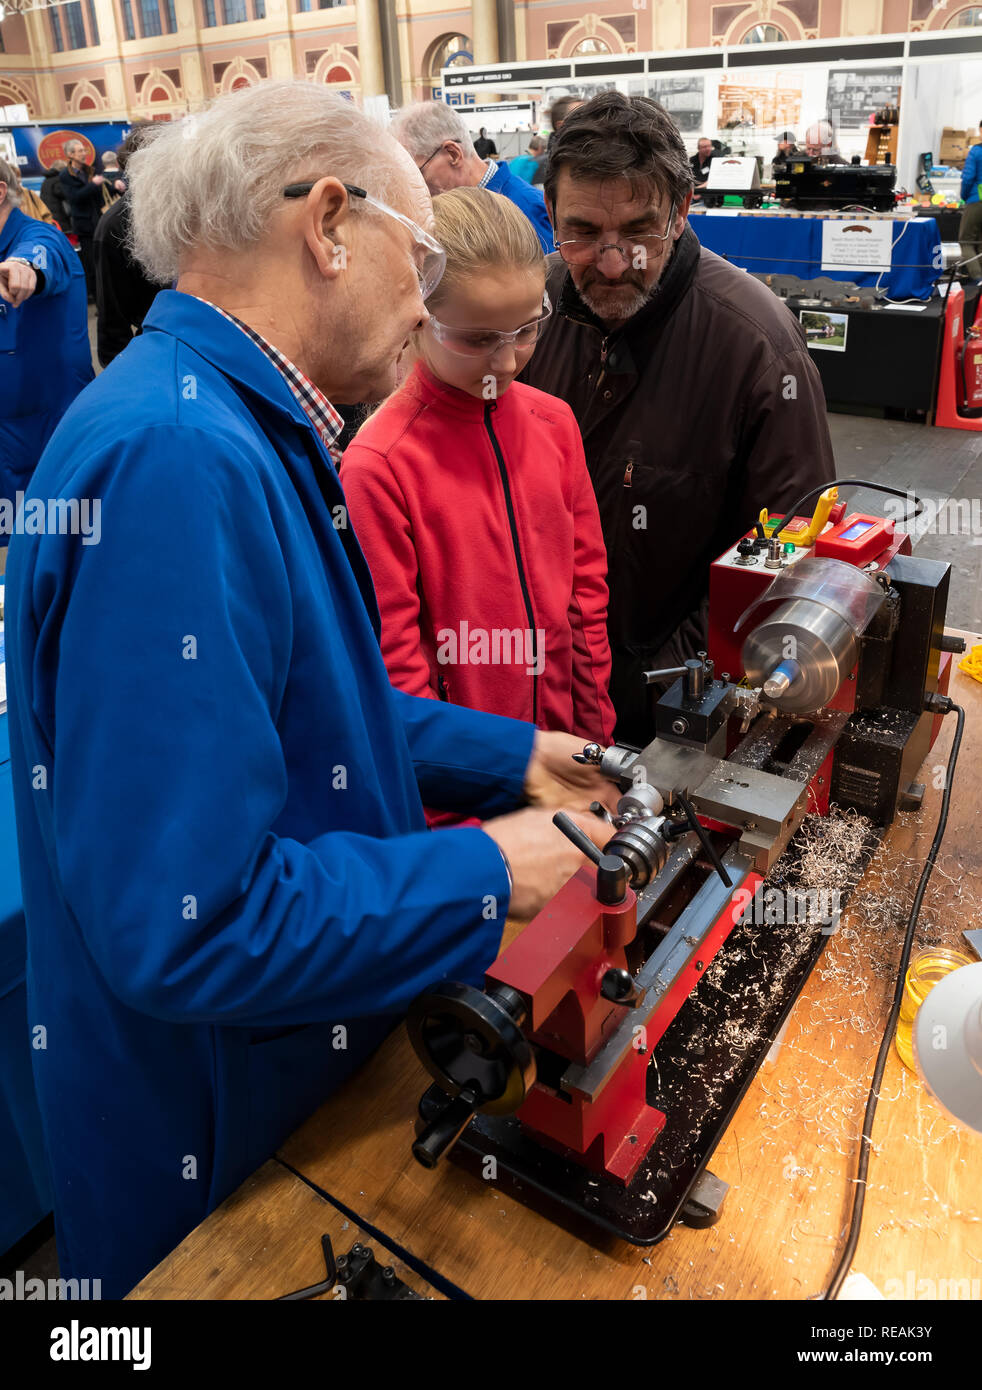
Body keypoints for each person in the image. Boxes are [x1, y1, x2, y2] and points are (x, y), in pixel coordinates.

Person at [4, 80, 611, 1300]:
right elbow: (193, 924)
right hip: (216, 1138)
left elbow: (292, 714)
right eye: (422, 248)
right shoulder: (180, 457)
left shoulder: (218, 415)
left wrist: (503, 758)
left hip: (265, 1082)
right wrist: (486, 869)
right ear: (330, 224)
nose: (427, 293)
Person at [519, 91, 836, 745]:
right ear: (549, 213)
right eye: (580, 232)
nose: (610, 262)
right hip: (530, 695)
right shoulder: (525, 317)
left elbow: (789, 552)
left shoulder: (756, 347)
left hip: (669, 718)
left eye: (637, 232)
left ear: (682, 210)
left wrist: (658, 684)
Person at [342, 186, 616, 746]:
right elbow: (397, 667)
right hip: (466, 784)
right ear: (418, 316)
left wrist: (595, 747)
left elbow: (585, 603)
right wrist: (458, 814)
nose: (508, 359)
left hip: (563, 755)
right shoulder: (380, 466)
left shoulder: (555, 424)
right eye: (478, 339)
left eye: (526, 329)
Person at [0, 156, 93, 547]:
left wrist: (24, 268)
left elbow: (42, 259)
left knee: (53, 543)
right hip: (14, 432)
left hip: (42, 433)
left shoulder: (38, 238)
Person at [392, 101, 554, 254]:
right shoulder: (450, 211)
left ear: (453, 154)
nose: (416, 187)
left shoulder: (528, 210)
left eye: (418, 173)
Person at [93, 127, 159, 365]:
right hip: (158, 347)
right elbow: (112, 314)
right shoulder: (116, 225)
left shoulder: (193, 208)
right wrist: (116, 372)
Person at [58, 139, 105, 298]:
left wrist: (112, 187)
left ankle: (102, 296)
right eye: (80, 151)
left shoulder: (89, 170)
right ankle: (95, 297)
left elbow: (99, 198)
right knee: (91, 264)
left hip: (97, 221)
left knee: (101, 262)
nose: (84, 154)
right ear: (70, 155)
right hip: (84, 226)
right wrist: (93, 185)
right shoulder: (66, 175)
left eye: (84, 150)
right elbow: (74, 198)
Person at [958, 129, 982, 278]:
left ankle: (978, 279)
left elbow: (968, 177)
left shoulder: (976, 151)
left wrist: (964, 196)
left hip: (976, 199)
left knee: (965, 242)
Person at [40, 159, 73, 231]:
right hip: (59, 216)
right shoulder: (58, 180)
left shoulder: (46, 181)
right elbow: (64, 194)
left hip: (48, 215)